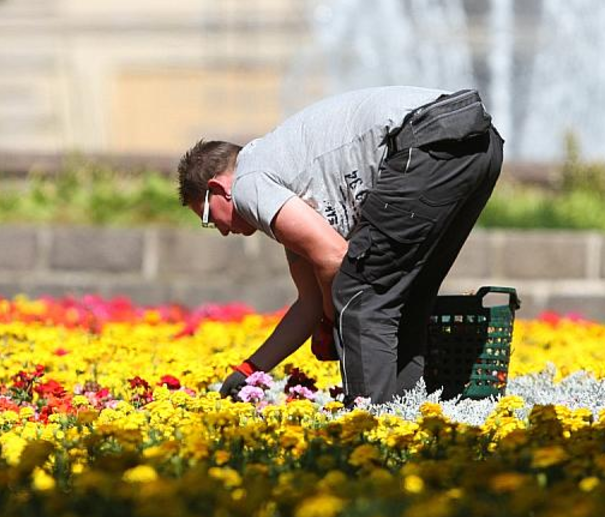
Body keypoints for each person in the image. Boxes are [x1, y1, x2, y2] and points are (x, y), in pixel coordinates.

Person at [177, 86, 503, 405]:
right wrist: (250, 369)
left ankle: (369, 425)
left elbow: (334, 259)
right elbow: (310, 303)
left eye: (208, 216)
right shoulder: (285, 185)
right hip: (476, 140)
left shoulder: (249, 183)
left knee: (360, 293)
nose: (221, 230)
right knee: (406, 295)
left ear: (218, 188)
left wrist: (335, 320)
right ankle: (408, 415)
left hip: (428, 138)